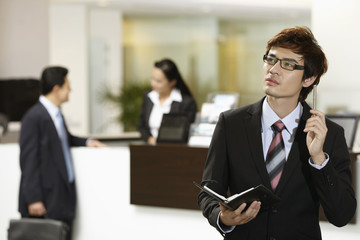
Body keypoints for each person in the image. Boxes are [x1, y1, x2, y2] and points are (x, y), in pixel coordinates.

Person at [198, 26, 356, 240]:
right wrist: (223, 218)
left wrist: (319, 159)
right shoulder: (231, 123)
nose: (273, 70)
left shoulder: (329, 133)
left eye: (288, 64)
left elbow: (341, 215)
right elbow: (208, 192)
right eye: (270, 60)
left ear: (308, 79)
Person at [18, 66, 106, 240]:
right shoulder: (33, 117)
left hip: (61, 197)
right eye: (67, 86)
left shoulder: (56, 114)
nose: (70, 90)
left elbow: (64, 140)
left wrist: (88, 142)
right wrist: (34, 199)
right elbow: (28, 161)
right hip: (44, 200)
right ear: (56, 89)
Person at [138, 58, 197, 144]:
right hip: (150, 149)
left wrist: (164, 135)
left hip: (174, 151)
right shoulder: (148, 97)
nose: (153, 83)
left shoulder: (186, 103)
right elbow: (141, 126)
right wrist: (150, 139)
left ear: (172, 82)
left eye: (158, 81)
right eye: (152, 78)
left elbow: (186, 132)